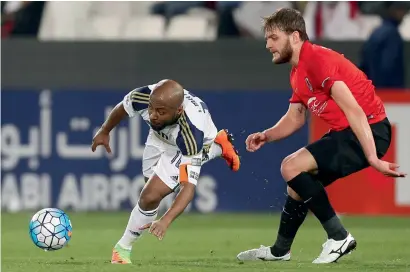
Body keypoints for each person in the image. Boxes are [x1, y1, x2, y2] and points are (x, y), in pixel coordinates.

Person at [237, 8, 406, 264]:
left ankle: (339, 237)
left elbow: (355, 111)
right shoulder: (297, 71)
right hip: (350, 131)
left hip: (369, 130)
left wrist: (372, 157)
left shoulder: (316, 60)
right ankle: (280, 250)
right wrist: (267, 135)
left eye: (273, 37)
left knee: (290, 167)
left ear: (294, 36)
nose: (268, 44)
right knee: (297, 184)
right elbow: (295, 117)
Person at [91, 79, 240, 264]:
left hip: (182, 146)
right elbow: (123, 107)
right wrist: (104, 130)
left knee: (149, 196)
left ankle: (122, 248)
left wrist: (165, 220)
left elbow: (188, 187)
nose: (153, 115)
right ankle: (219, 145)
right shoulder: (144, 96)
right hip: (159, 137)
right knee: (150, 186)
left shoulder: (191, 135)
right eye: (152, 108)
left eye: (161, 112)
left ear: (179, 111)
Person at [360, 2, 409, 89]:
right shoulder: (391, 34)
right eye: (400, 9)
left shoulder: (377, 32)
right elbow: (388, 67)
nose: (403, 13)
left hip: (373, 88)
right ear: (391, 10)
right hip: (388, 91)